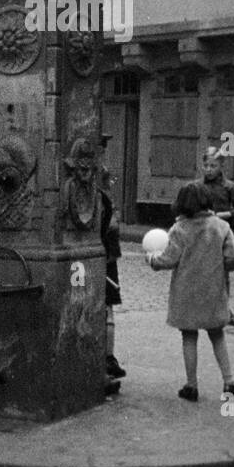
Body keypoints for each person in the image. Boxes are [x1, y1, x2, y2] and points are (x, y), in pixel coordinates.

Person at [147, 180, 234, 403]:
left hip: (186, 292)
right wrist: (227, 265)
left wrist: (152, 259)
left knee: (189, 336)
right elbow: (232, 257)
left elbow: (168, 259)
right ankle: (229, 381)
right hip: (213, 290)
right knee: (217, 334)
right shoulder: (221, 226)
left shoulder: (179, 229)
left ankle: (191, 385)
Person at [201, 145, 234, 327]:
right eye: (207, 166)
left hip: (222, 234)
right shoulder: (198, 186)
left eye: (213, 166)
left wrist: (224, 214)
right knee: (203, 273)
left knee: (223, 274)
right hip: (202, 235)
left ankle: (226, 309)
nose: (209, 170)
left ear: (221, 167)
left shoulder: (229, 186)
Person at [99, 137, 125, 381]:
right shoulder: (101, 179)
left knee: (106, 308)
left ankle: (108, 357)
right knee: (105, 309)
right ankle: (107, 357)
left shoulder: (102, 178)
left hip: (106, 255)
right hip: (104, 256)